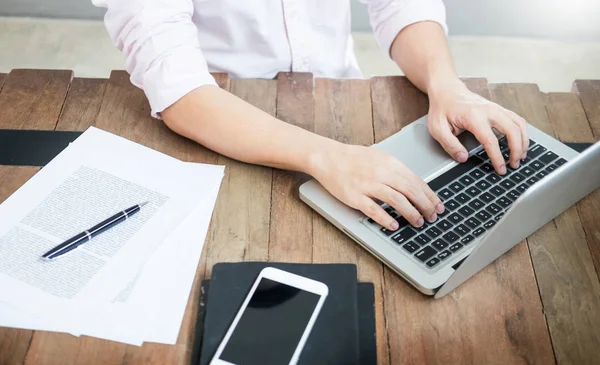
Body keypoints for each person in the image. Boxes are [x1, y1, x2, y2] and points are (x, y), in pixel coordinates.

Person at [92, 0, 528, 232]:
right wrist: (329, 158)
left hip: (340, 99)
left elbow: (400, 5)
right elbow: (179, 88)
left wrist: (445, 84)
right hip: (221, 124)